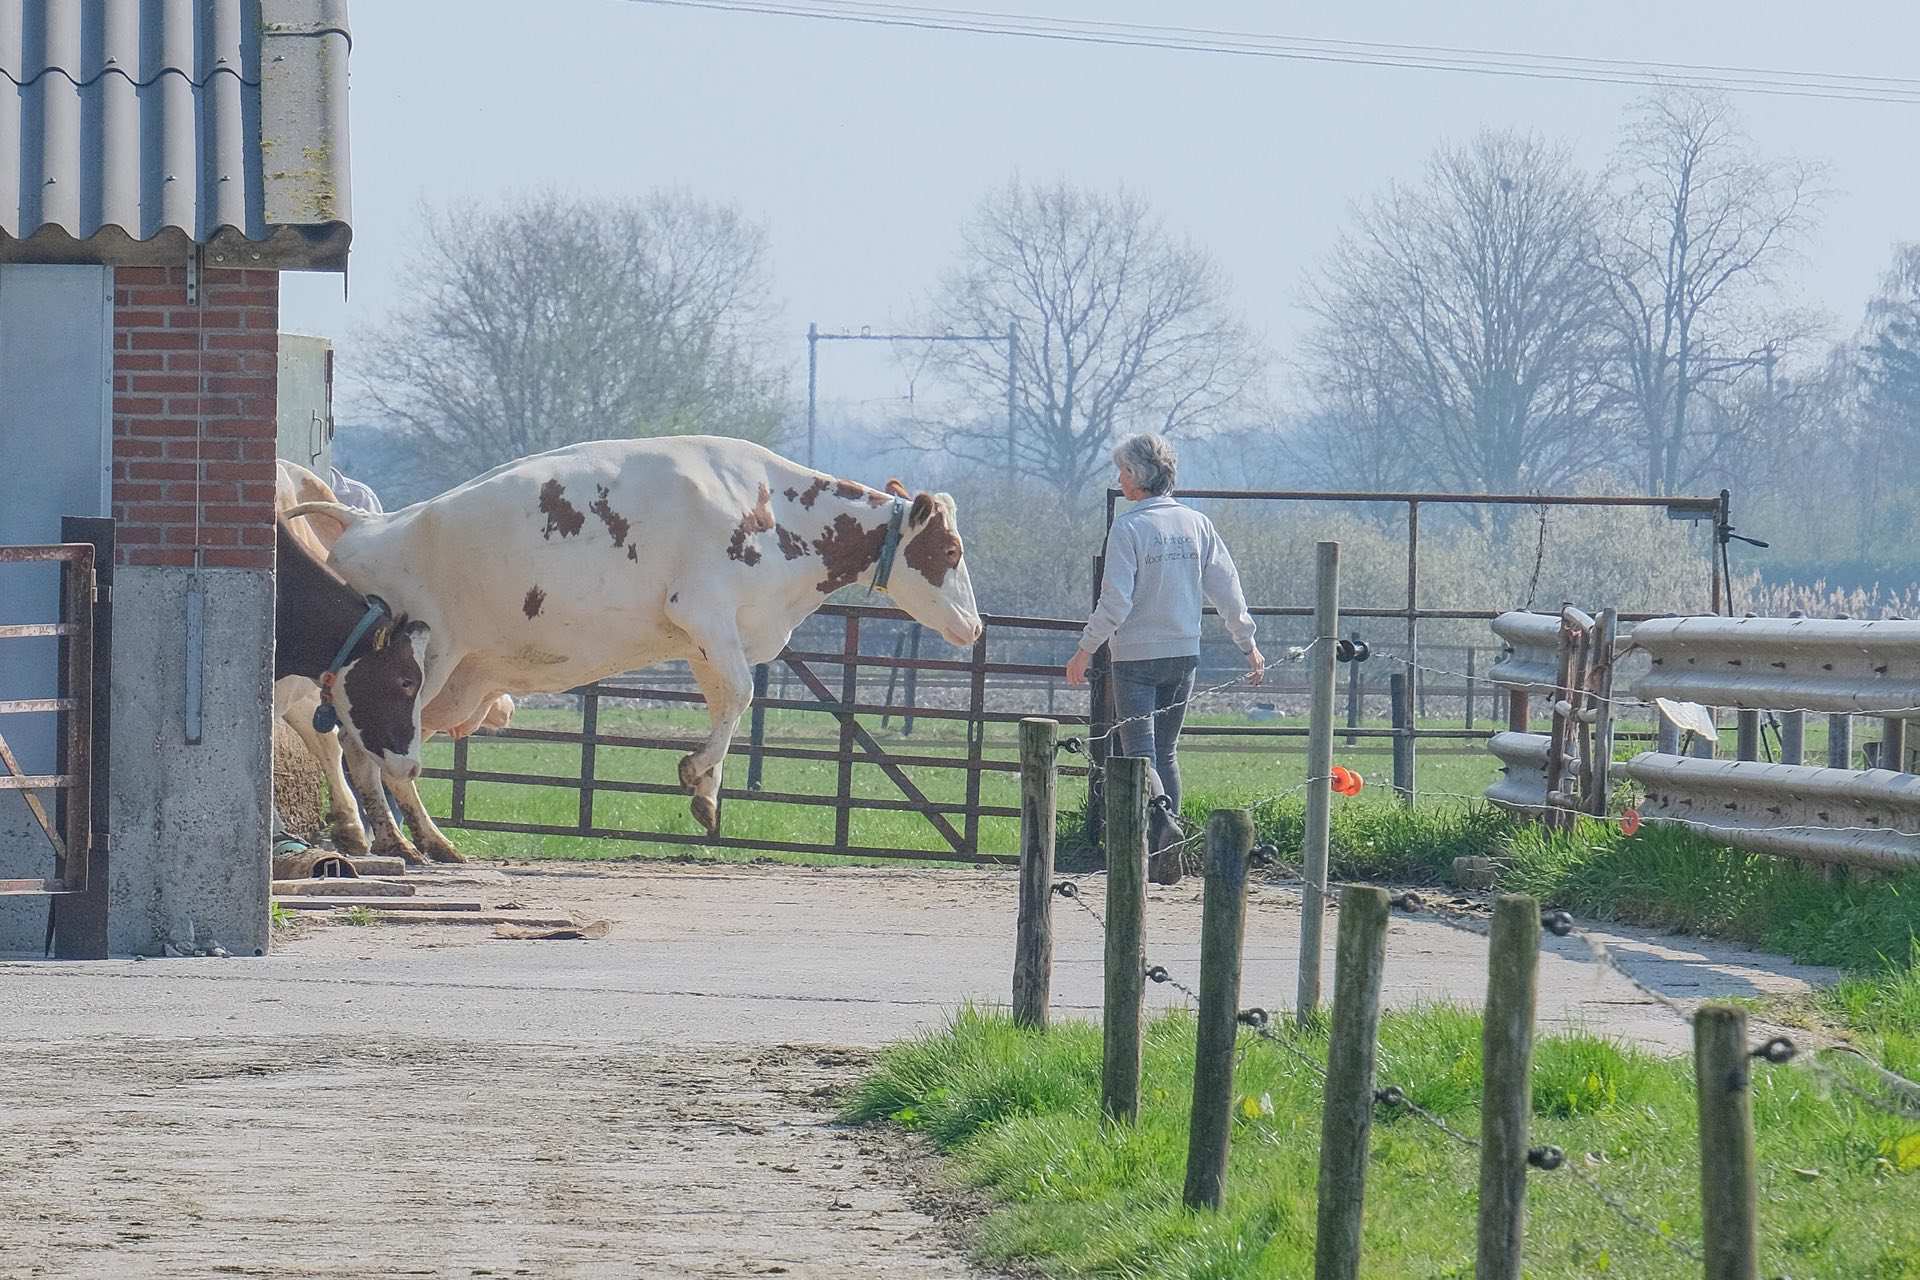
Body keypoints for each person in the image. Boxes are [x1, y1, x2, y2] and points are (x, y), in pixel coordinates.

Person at [1066, 434, 1262, 848]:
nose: (1119, 479)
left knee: (1139, 753)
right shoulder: (1197, 524)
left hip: (1136, 657)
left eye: (1123, 471)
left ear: (1137, 475)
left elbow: (1115, 601)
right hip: (1184, 653)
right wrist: (1247, 643)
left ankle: (1157, 830)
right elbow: (1227, 588)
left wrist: (1085, 648)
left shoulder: (1129, 527)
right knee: (1167, 752)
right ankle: (1169, 844)